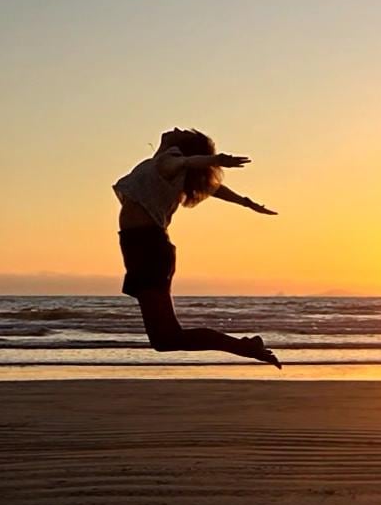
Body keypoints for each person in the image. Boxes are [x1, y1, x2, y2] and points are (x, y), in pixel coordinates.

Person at [114, 128, 281, 367]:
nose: (175, 129)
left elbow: (188, 162)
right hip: (141, 247)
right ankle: (244, 346)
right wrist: (246, 202)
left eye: (182, 132)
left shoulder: (168, 162)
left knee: (167, 338)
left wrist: (215, 161)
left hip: (147, 247)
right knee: (164, 339)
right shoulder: (162, 168)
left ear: (182, 145)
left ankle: (243, 346)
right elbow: (214, 188)